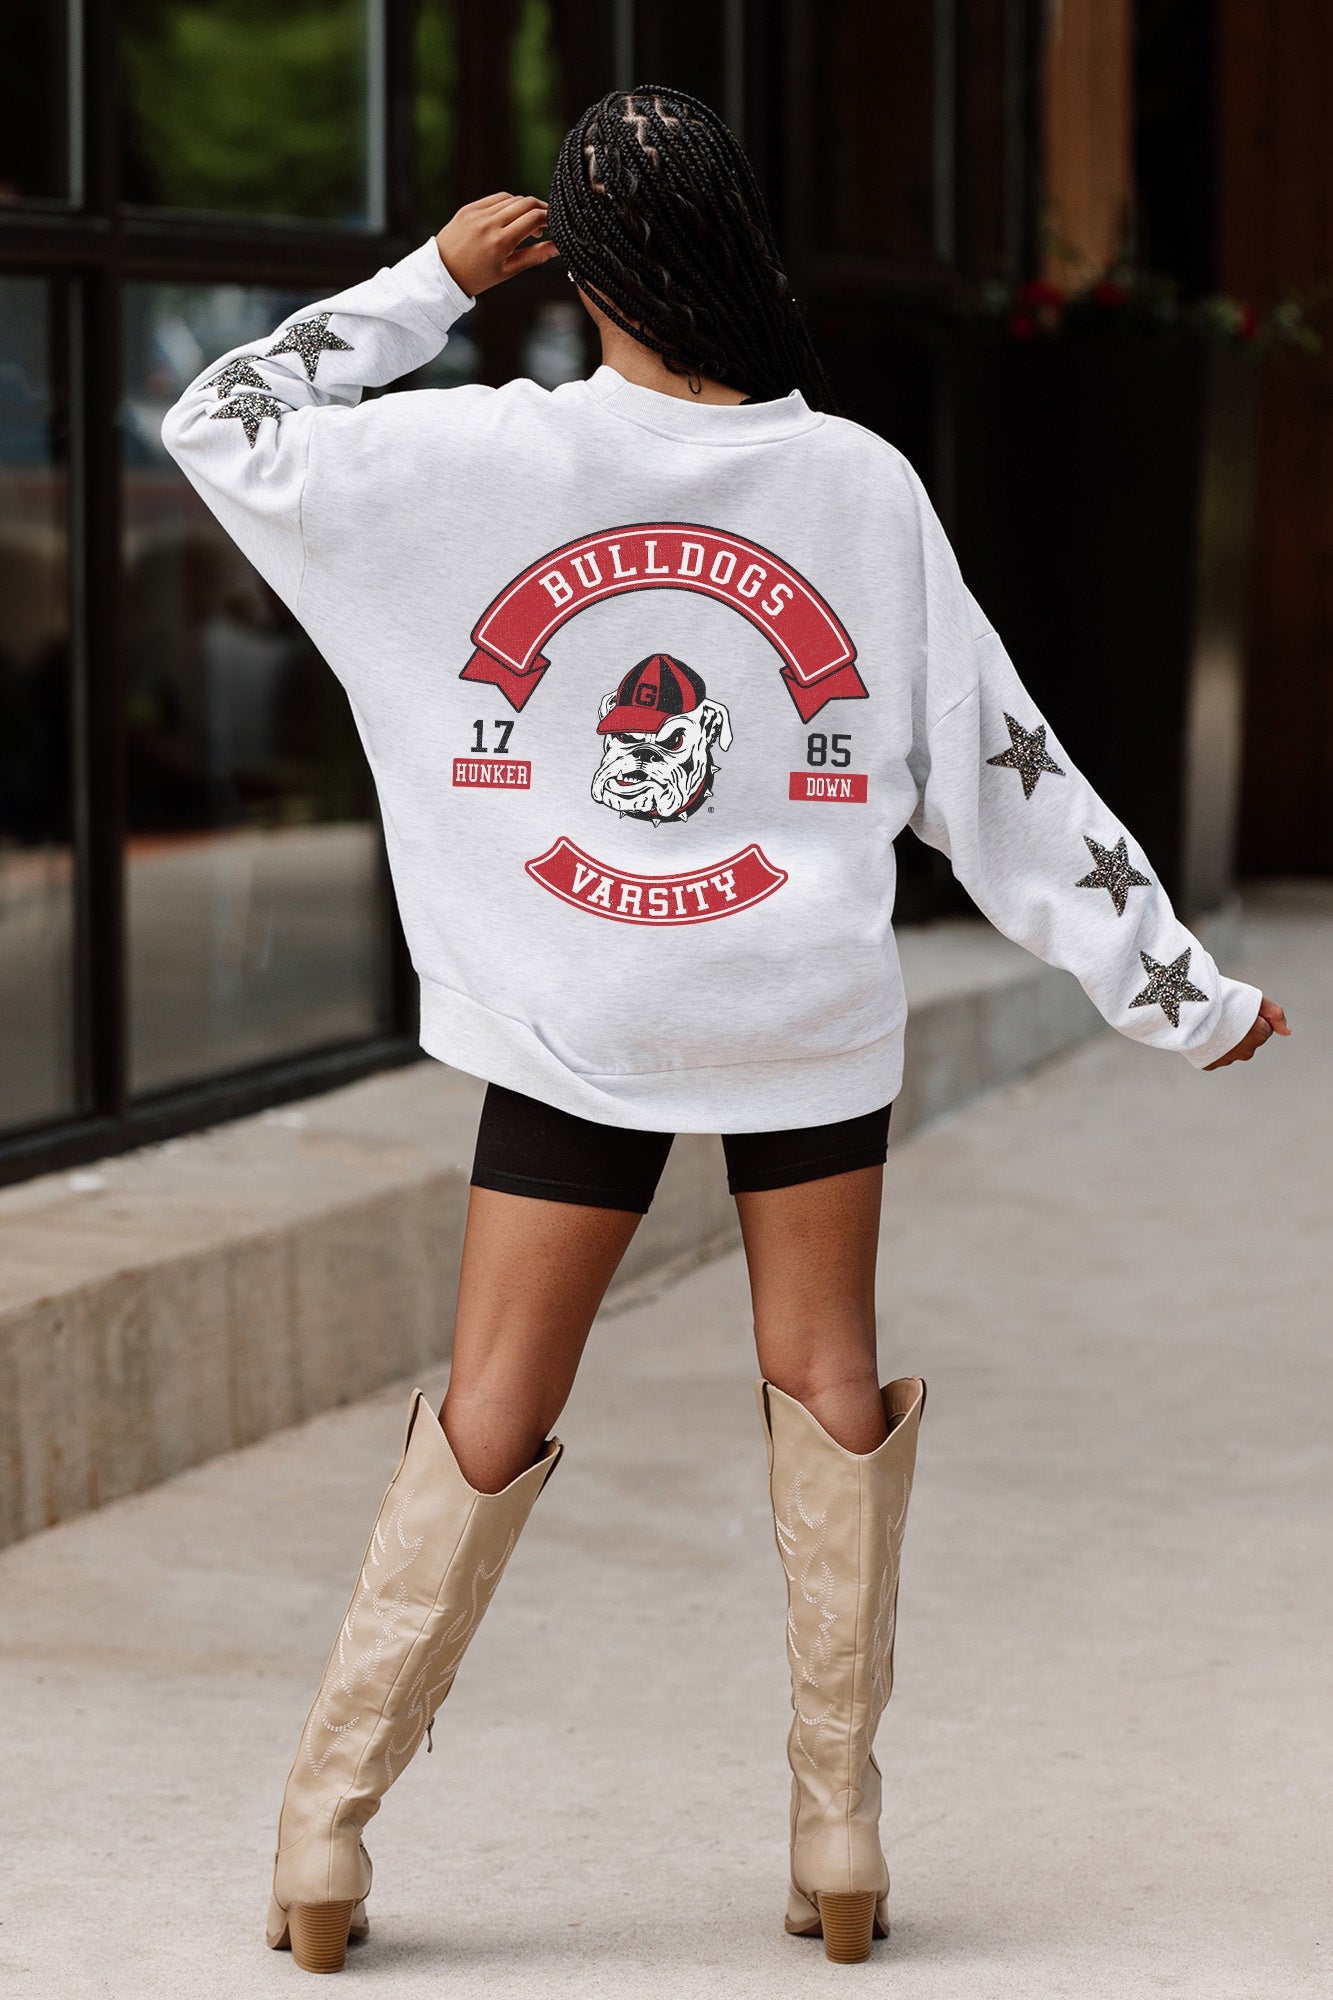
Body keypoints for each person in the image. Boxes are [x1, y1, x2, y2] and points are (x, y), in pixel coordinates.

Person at [159, 85, 1290, 1975]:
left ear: (585, 270)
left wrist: (432, 278)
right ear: (737, 245)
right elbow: (1000, 768)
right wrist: (1176, 985)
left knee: (494, 1404)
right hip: (794, 1008)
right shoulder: (854, 483)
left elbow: (222, 421)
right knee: (827, 1376)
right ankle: (838, 1827)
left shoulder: (475, 456)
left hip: (581, 1014)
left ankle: (326, 1832)